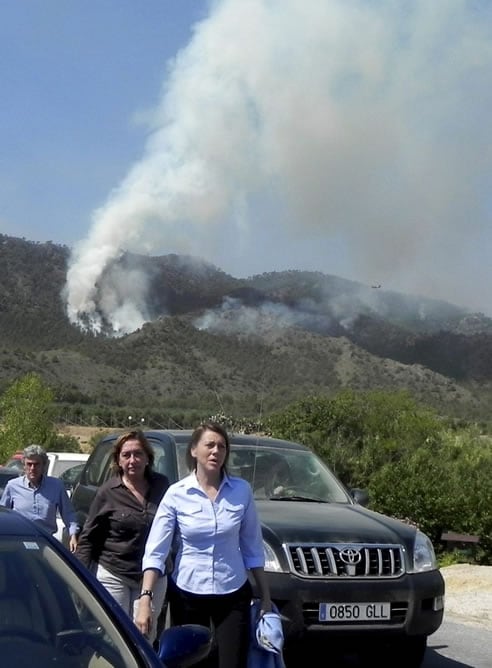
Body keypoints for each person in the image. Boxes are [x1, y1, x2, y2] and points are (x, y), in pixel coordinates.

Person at [135, 421, 272, 668]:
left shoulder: (241, 491)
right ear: (194, 451)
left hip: (232, 591)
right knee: (190, 662)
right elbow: (156, 550)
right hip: (188, 592)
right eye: (209, 445)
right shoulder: (177, 494)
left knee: (231, 662)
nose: (216, 451)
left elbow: (252, 545)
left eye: (221, 446)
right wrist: (146, 598)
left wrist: (265, 594)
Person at [76, 430, 169, 644]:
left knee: (144, 634)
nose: (132, 460)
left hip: (153, 574)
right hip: (114, 571)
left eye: (138, 454)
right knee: (116, 637)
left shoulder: (162, 486)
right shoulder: (108, 492)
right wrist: (79, 582)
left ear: (148, 457)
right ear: (118, 460)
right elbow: (88, 539)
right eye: (126, 455)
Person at [0, 444, 79, 551]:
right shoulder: (13, 486)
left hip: (46, 541)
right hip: (19, 541)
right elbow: (4, 515)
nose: (32, 468)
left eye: (36, 464)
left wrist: (73, 535)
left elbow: (68, 514)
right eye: (29, 464)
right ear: (24, 465)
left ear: (44, 466)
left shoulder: (56, 486)